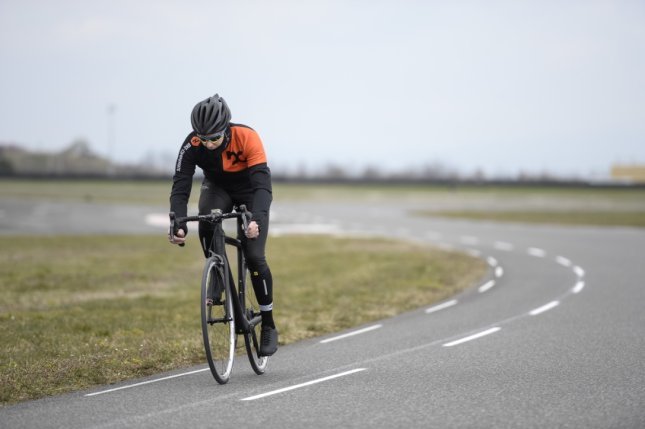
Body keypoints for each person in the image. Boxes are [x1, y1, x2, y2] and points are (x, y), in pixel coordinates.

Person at [168, 93, 278, 356]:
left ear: (226, 130)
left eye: (214, 138)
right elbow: (181, 184)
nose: (208, 144)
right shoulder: (193, 143)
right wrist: (178, 222)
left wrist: (256, 221)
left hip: (250, 191)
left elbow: (263, 187)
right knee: (206, 215)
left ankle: (269, 324)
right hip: (218, 188)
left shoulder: (247, 137)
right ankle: (217, 273)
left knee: (253, 255)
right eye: (203, 139)